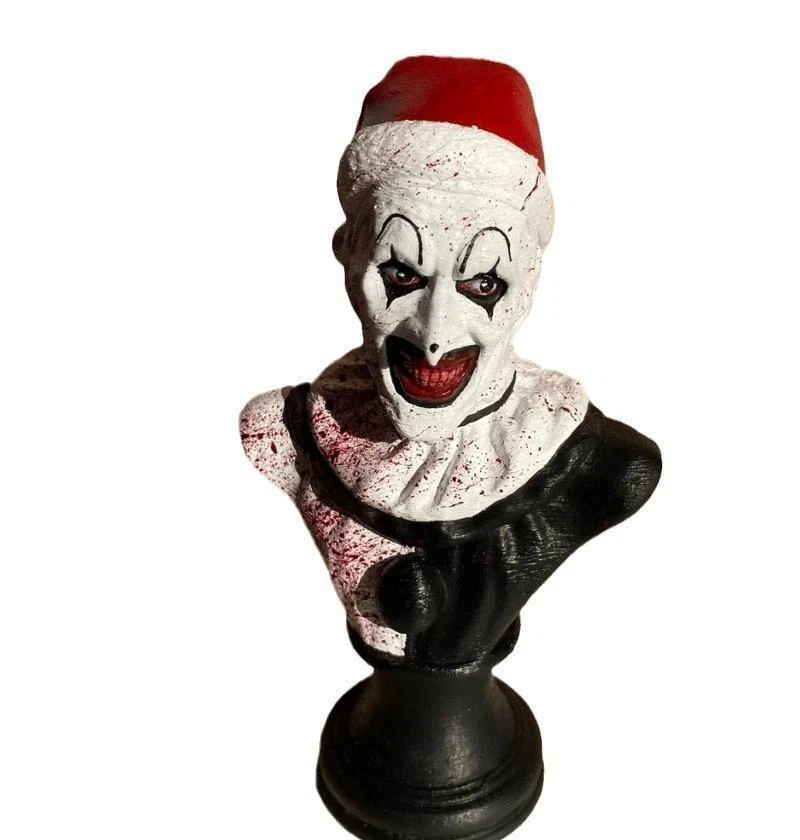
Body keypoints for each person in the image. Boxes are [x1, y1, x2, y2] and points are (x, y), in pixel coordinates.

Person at [240, 56, 661, 668]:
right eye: (401, 275)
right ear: (349, 256)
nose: (434, 333)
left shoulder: (598, 463)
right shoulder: (288, 432)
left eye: (482, 283)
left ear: (529, 280)